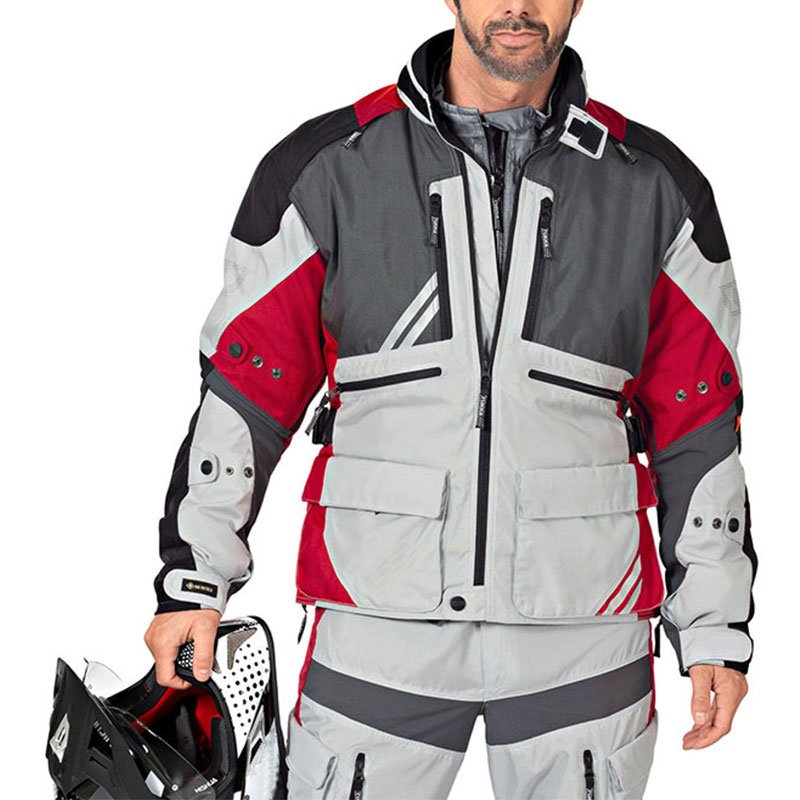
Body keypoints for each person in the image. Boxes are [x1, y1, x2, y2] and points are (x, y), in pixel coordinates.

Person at [143, 1, 757, 797]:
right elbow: (246, 391)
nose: (518, 5)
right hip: (378, 624)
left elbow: (699, 420)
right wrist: (195, 580)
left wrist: (714, 627)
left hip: (583, 631)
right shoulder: (330, 167)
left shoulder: (655, 186)